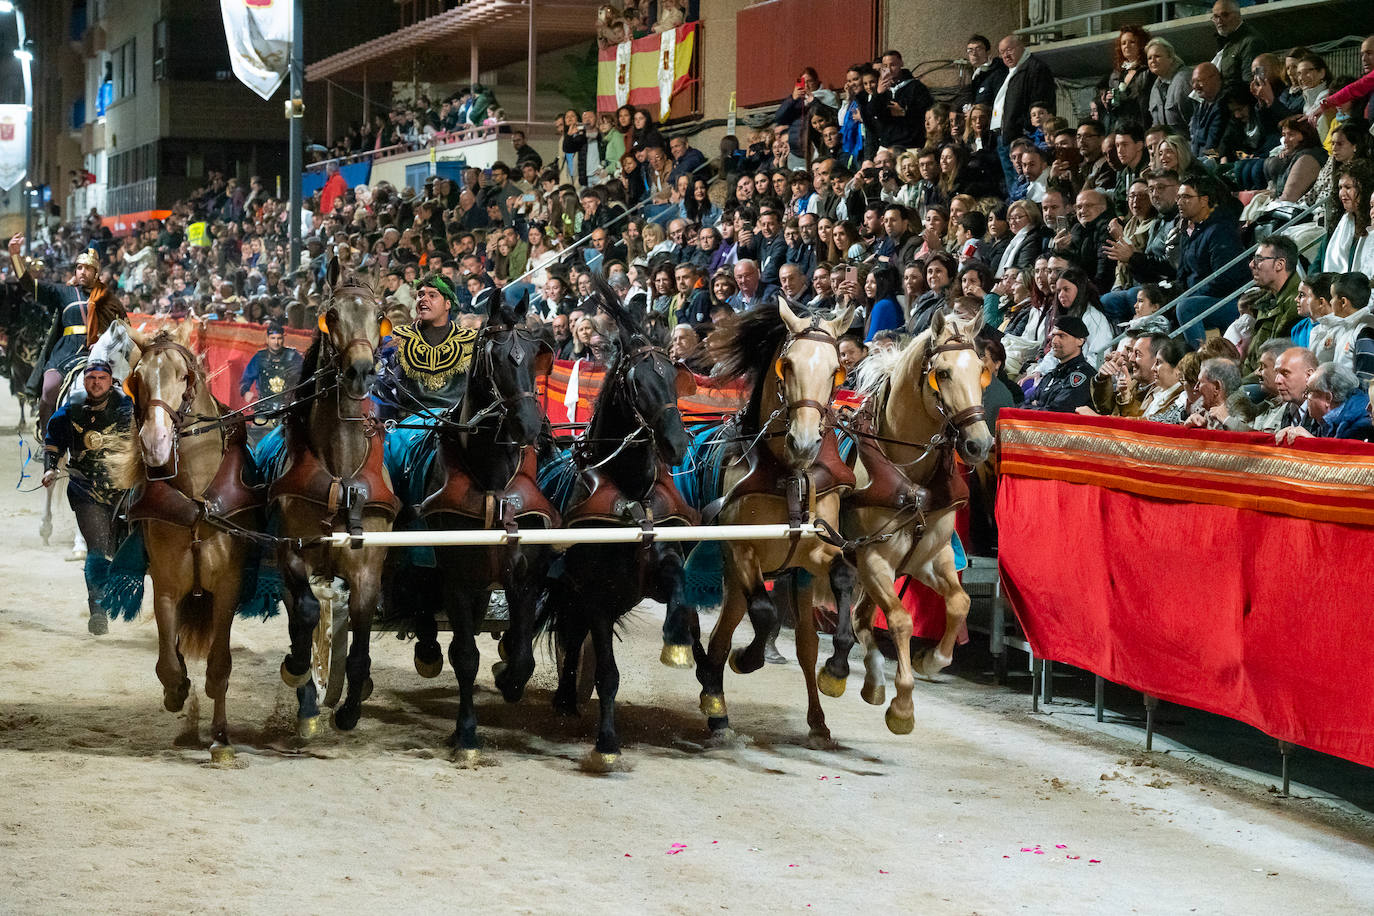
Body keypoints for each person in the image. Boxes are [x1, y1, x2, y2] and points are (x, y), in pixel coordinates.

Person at [42, 360, 132, 635]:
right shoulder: (70, 410)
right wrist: (50, 468)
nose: (96, 382)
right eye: (91, 378)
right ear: (84, 381)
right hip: (86, 489)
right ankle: (98, 611)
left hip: (125, 489)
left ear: (111, 381)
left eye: (101, 378)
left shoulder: (127, 408)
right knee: (97, 548)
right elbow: (53, 442)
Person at [10, 237, 124, 430]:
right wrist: (15, 256)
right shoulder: (63, 292)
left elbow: (122, 328)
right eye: (79, 268)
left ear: (96, 272)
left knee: (123, 393)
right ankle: (47, 437)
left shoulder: (108, 298)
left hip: (100, 352)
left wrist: (104, 342)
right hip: (66, 351)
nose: (83, 272)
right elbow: (29, 284)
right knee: (49, 388)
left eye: (88, 268)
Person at [376, 273, 479, 416]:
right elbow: (382, 387)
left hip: (458, 423)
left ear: (448, 304)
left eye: (432, 295)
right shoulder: (397, 339)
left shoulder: (471, 341)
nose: (423, 299)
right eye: (420, 295)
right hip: (409, 424)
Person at [1024, 315, 1095, 412]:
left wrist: (1036, 405)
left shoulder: (1083, 376)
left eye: (1061, 336)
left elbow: (1058, 411)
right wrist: (1037, 406)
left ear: (1080, 341)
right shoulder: (1052, 374)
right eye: (1053, 336)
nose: (1054, 341)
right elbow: (1026, 403)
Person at [239, 322, 304, 410]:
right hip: (264, 407)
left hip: (289, 406)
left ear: (283, 339)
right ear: (267, 339)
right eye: (273, 338)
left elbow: (302, 378)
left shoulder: (294, 356)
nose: (276, 342)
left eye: (279, 338)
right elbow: (246, 379)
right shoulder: (259, 357)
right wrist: (245, 391)